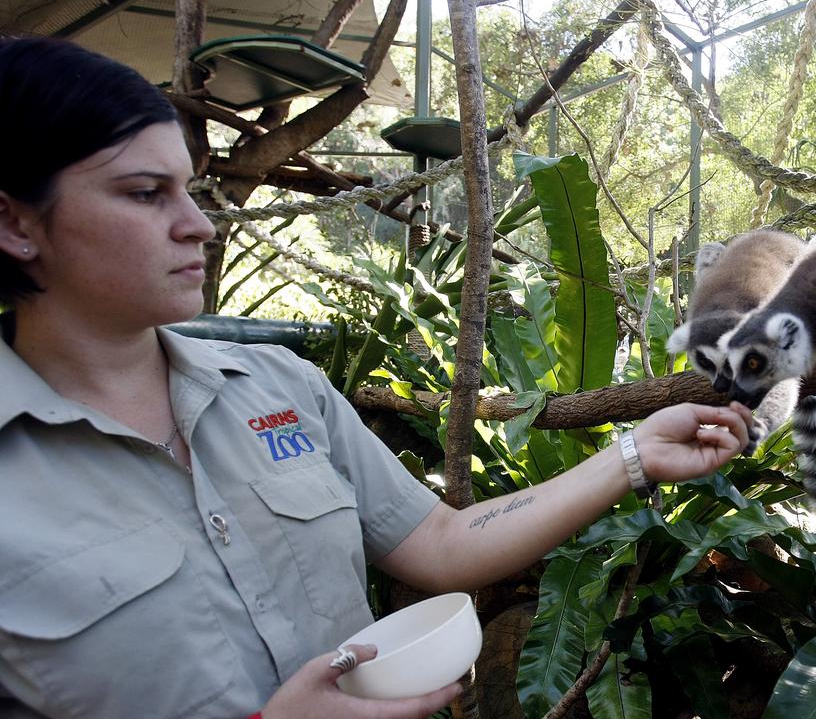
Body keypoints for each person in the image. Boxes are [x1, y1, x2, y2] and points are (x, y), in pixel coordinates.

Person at [0, 36, 754, 718]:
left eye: (191, 189)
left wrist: (634, 455)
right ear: (15, 225)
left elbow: (440, 540)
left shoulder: (279, 387)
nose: (199, 223)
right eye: (144, 193)